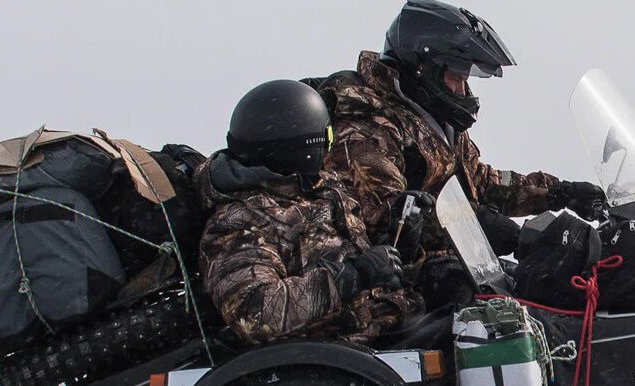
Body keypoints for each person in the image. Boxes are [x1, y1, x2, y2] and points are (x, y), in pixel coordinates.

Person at [314, 0, 608, 259]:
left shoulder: (434, 120)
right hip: (393, 287)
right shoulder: (366, 127)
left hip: (459, 268)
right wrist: (487, 228)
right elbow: (386, 218)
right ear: (421, 68)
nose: (463, 89)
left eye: (466, 79)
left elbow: (481, 182)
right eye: (456, 77)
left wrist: (559, 193)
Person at [196, 79, 422, 345]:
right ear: (302, 147)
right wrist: (350, 277)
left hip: (389, 325)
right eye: (327, 138)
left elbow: (355, 258)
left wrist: (401, 242)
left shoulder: (322, 191)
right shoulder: (240, 220)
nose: (329, 149)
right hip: (337, 353)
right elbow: (254, 313)